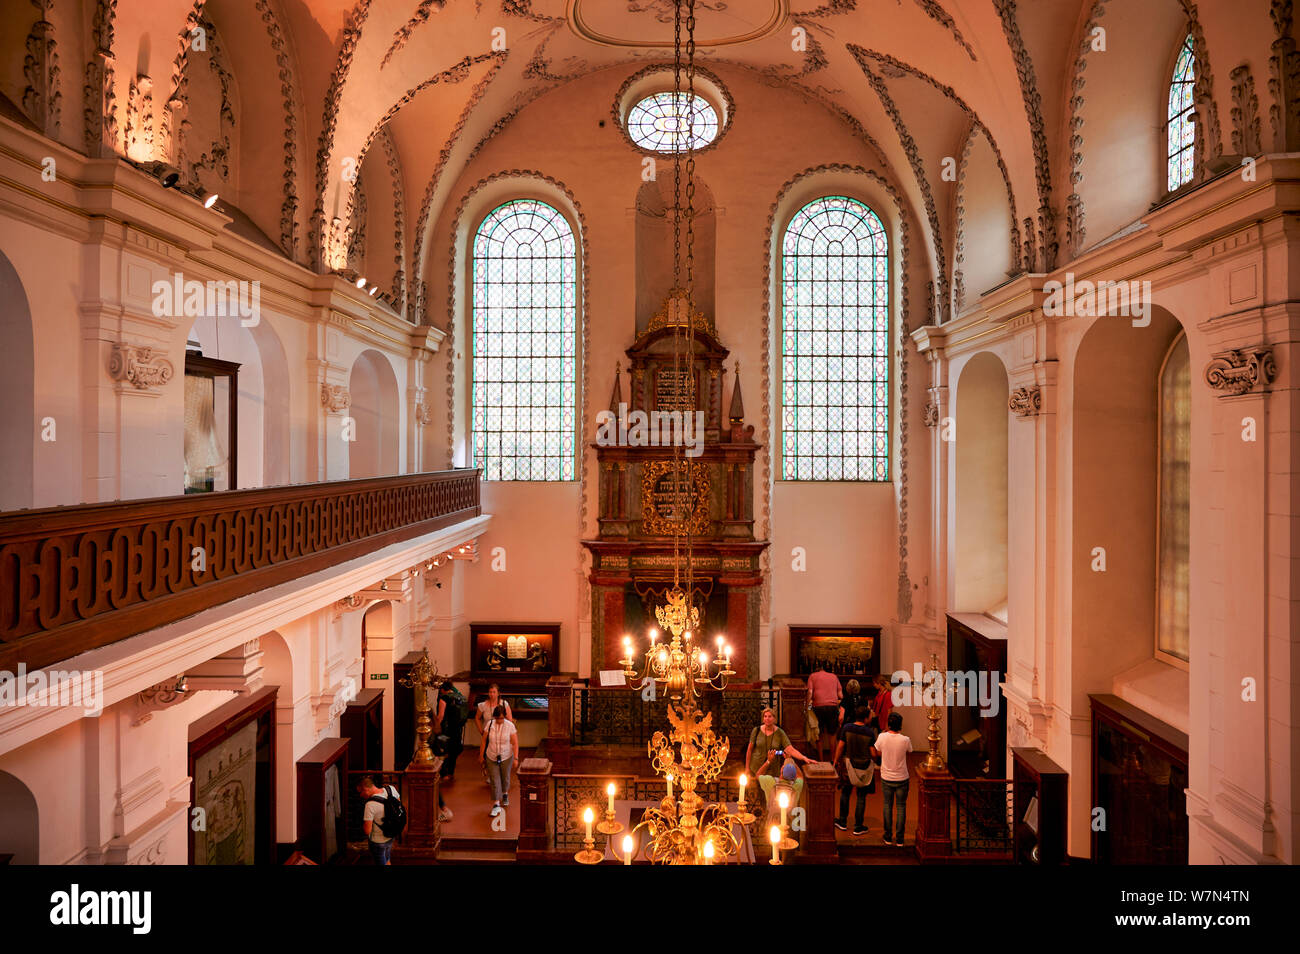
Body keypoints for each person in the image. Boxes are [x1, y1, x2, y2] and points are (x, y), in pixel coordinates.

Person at [833, 705, 877, 835]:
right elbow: (873, 753)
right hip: (864, 766)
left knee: (845, 793)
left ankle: (842, 822)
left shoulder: (847, 728)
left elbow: (840, 746)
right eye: (869, 715)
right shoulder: (869, 732)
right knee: (861, 796)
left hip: (848, 765)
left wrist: (836, 760)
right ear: (865, 718)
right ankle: (858, 826)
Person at [871, 710, 913, 846]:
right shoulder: (905, 739)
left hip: (887, 777)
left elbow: (877, 752)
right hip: (902, 777)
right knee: (901, 807)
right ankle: (900, 839)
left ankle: (888, 837)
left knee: (887, 806)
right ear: (900, 725)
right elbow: (910, 751)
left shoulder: (882, 737)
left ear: (888, 724)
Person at [745, 707, 814, 788]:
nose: (767, 718)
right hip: (756, 767)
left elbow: (790, 749)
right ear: (763, 719)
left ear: (774, 719)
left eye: (770, 716)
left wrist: (803, 758)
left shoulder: (780, 733)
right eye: (765, 716)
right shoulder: (756, 730)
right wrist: (747, 768)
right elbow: (749, 750)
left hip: (773, 769)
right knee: (754, 793)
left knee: (771, 792)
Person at [479, 704, 519, 817]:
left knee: (505, 777)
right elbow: (483, 741)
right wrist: (481, 755)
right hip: (491, 755)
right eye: (497, 718)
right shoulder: (489, 724)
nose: (499, 720)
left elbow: (515, 743)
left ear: (505, 717)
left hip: (506, 755)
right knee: (494, 780)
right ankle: (496, 804)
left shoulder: (510, 726)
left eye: (501, 718)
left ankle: (505, 794)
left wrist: (516, 758)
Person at [357, 775, 397, 866]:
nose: (361, 795)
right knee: (387, 859)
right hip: (391, 835)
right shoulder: (391, 789)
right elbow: (398, 806)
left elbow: (367, 831)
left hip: (378, 841)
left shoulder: (370, 805)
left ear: (366, 789)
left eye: (360, 792)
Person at [806, 662, 842, 761]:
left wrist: (806, 706)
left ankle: (821, 760)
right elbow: (840, 695)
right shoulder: (834, 676)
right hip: (832, 707)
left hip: (818, 707)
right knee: (832, 734)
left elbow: (810, 692)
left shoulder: (812, 676)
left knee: (819, 734)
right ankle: (833, 759)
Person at [434, 680, 468, 781]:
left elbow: (440, 716)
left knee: (442, 750)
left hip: (447, 729)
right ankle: (451, 773)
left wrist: (436, 726)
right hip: (458, 728)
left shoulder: (444, 698)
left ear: (443, 689)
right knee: (453, 751)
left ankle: (444, 774)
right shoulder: (459, 696)